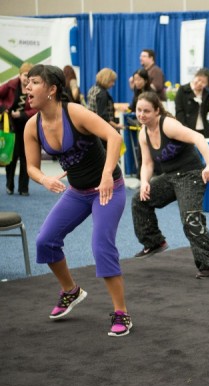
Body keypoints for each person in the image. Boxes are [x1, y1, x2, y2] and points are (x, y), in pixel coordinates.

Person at [23, 64, 132, 337]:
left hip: (108, 189)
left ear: (51, 89)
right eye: (27, 82)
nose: (27, 88)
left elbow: (114, 136)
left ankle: (122, 314)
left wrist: (108, 174)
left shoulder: (74, 113)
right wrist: (43, 179)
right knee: (45, 241)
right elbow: (31, 167)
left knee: (101, 247)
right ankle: (70, 291)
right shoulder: (31, 126)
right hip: (78, 192)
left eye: (34, 82)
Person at [132, 91, 209, 279]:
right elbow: (147, 163)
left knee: (190, 218)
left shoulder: (168, 125)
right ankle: (154, 242)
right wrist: (145, 182)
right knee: (139, 200)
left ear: (157, 111)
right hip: (170, 176)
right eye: (139, 110)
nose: (141, 115)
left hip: (191, 174)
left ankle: (208, 264)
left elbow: (198, 138)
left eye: (146, 111)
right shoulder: (143, 133)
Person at [0, 62, 36, 196]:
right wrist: (4, 108)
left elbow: (37, 108)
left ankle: (24, 188)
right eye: (25, 75)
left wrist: (22, 114)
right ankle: (9, 185)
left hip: (28, 126)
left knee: (26, 158)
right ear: (20, 75)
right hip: (11, 127)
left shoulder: (35, 88)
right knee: (11, 157)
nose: (27, 79)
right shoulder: (10, 85)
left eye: (30, 76)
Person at [175, 67, 209, 138]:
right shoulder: (183, 90)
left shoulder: (207, 94)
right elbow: (179, 111)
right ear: (195, 77)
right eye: (198, 80)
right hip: (187, 129)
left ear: (207, 84)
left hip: (203, 129)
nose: (199, 83)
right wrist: (184, 128)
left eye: (204, 82)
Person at [87, 68, 124, 134]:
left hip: (92, 126)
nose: (113, 84)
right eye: (112, 81)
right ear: (106, 80)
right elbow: (103, 117)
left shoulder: (93, 89)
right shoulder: (102, 94)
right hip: (103, 130)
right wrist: (116, 126)